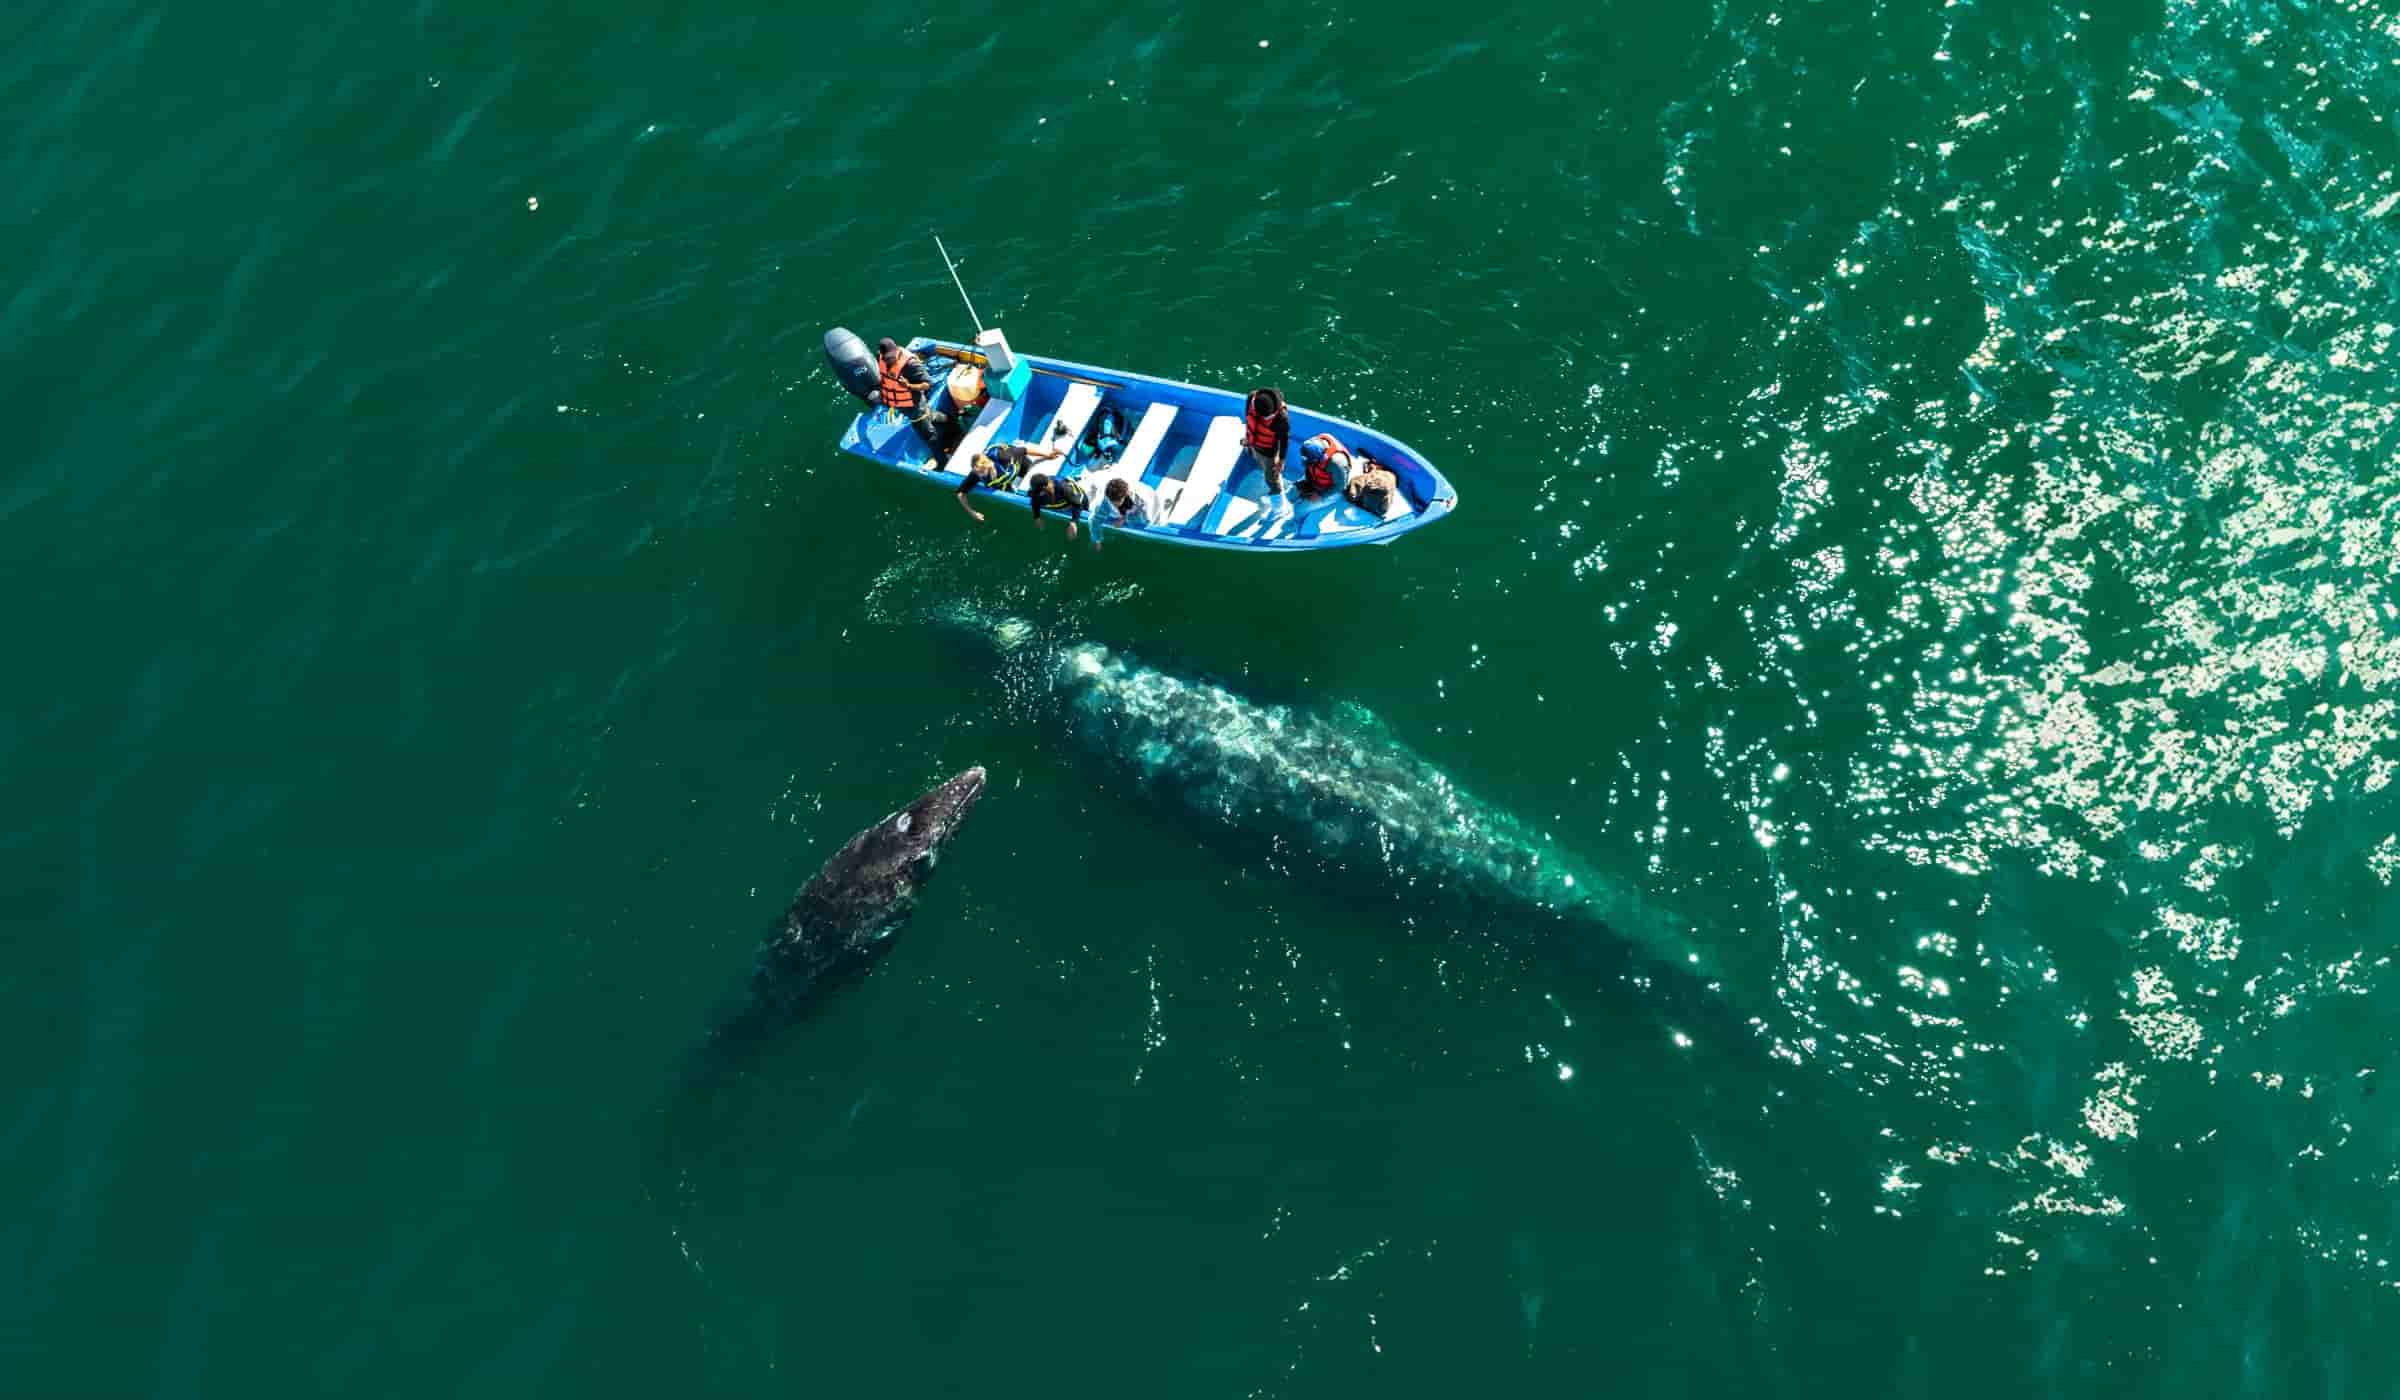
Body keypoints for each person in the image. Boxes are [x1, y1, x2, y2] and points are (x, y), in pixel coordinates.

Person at [876, 337, 958, 460]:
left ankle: (942, 460)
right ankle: (955, 427)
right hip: (900, 403)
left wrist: (908, 385)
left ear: (897, 350)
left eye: (891, 357)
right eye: (886, 358)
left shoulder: (911, 364)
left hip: (914, 407)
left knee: (929, 435)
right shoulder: (881, 358)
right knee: (931, 415)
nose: (889, 360)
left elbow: (927, 384)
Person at [954, 438, 1064, 524]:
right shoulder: (976, 474)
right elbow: (960, 494)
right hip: (1003, 482)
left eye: (981, 472)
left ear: (988, 465)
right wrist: (972, 512)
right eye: (977, 473)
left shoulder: (1005, 457)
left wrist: (1048, 455)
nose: (979, 476)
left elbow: (1024, 450)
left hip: (1021, 467)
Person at [1088, 476, 1157, 551]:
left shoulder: (1141, 500)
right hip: (1125, 503)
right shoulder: (1103, 501)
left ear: (1126, 495)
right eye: (1112, 502)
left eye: (1118, 502)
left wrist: (1124, 519)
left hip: (1149, 497)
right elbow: (1094, 521)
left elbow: (1143, 519)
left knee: (1142, 523)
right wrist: (1097, 540)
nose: (1115, 505)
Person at [1025, 472, 1090, 540]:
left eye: (1039, 493)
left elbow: (1078, 505)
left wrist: (1073, 522)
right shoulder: (1036, 491)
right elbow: (1035, 501)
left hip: (1079, 499)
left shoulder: (1064, 488)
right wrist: (1037, 517)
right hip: (1061, 503)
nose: (1036, 495)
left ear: (1045, 487)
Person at [1296, 432, 1354, 501]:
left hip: (1332, 486)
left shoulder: (1336, 462)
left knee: (1304, 504)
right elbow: (1308, 467)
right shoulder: (1308, 447)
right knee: (1294, 491)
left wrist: (1320, 495)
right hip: (1316, 479)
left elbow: (1340, 486)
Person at [1345, 449, 1399, 516]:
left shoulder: (1367, 477)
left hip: (1366, 508)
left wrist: (1346, 493)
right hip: (1381, 511)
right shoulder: (1392, 476)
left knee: (1354, 485)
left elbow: (1352, 495)